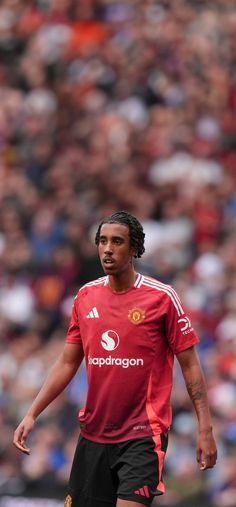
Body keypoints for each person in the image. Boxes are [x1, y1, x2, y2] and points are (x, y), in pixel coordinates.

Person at [13, 211, 217, 507]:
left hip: (142, 436)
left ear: (134, 248)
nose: (108, 248)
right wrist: (33, 413)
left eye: (117, 242)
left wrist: (205, 428)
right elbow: (68, 362)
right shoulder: (85, 297)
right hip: (93, 435)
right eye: (103, 241)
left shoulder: (161, 298)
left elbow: (190, 365)